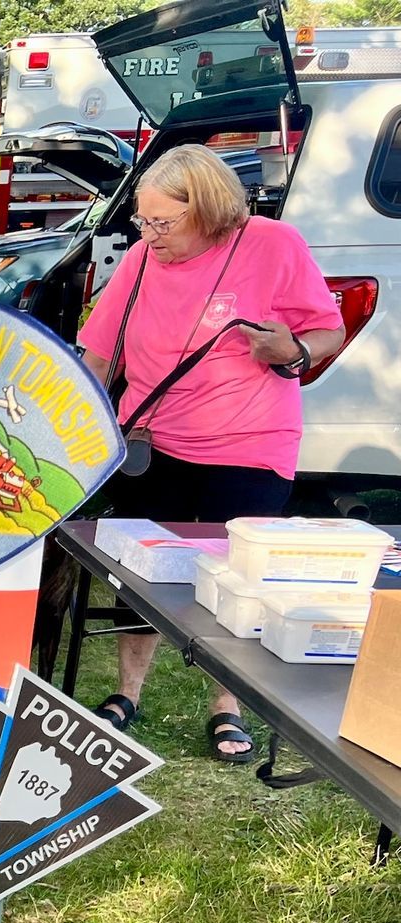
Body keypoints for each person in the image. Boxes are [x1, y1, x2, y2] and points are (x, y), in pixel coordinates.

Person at [77, 143, 345, 762]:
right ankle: (127, 693)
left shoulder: (273, 244)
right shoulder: (141, 259)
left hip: (249, 444)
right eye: (142, 220)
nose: (148, 234)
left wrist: (295, 351)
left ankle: (229, 704)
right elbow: (99, 353)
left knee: (237, 580)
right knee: (139, 576)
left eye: (162, 222)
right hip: (152, 442)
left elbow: (327, 329)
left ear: (208, 210)